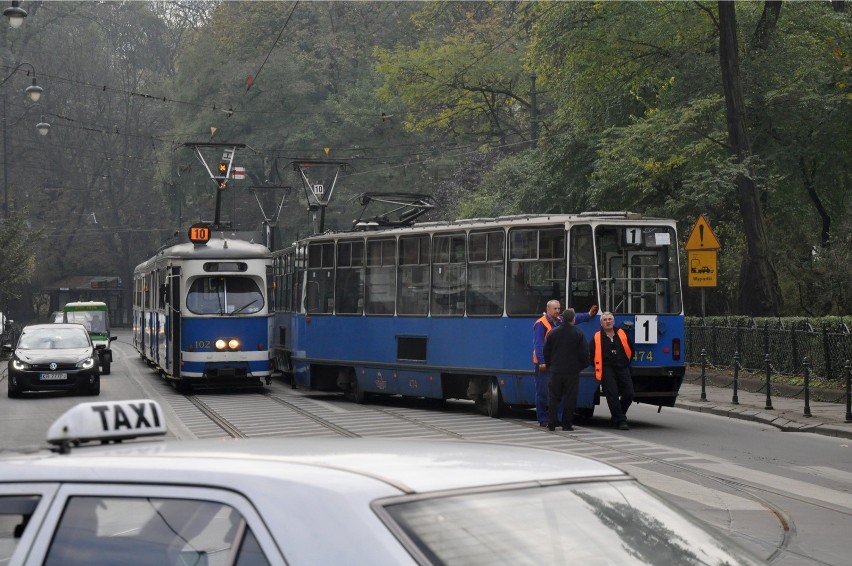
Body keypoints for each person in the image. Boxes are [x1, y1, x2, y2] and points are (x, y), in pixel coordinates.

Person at [532, 300, 598, 427]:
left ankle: (558, 418)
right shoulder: (541, 324)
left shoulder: (560, 320)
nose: (557, 311)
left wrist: (588, 315)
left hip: (555, 364)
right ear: (548, 309)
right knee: (542, 393)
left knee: (558, 394)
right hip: (544, 365)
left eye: (559, 308)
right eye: (555, 309)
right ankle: (542, 419)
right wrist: (542, 362)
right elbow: (539, 345)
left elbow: (574, 319)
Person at [542, 308, 589, 431]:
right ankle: (566, 425)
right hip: (572, 372)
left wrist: (549, 365)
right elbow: (584, 354)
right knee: (570, 398)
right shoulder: (579, 333)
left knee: (553, 397)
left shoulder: (553, 333)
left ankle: (551, 423)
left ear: (562, 318)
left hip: (556, 370)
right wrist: (581, 366)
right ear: (573, 319)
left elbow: (546, 351)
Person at [590, 311, 634, 430]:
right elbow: (591, 355)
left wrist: (624, 363)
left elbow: (631, 350)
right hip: (607, 368)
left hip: (622, 367)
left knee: (629, 393)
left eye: (610, 319)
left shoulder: (622, 333)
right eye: (605, 320)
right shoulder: (597, 337)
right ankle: (620, 420)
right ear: (601, 323)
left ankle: (618, 414)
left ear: (614, 321)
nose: (608, 321)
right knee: (612, 394)